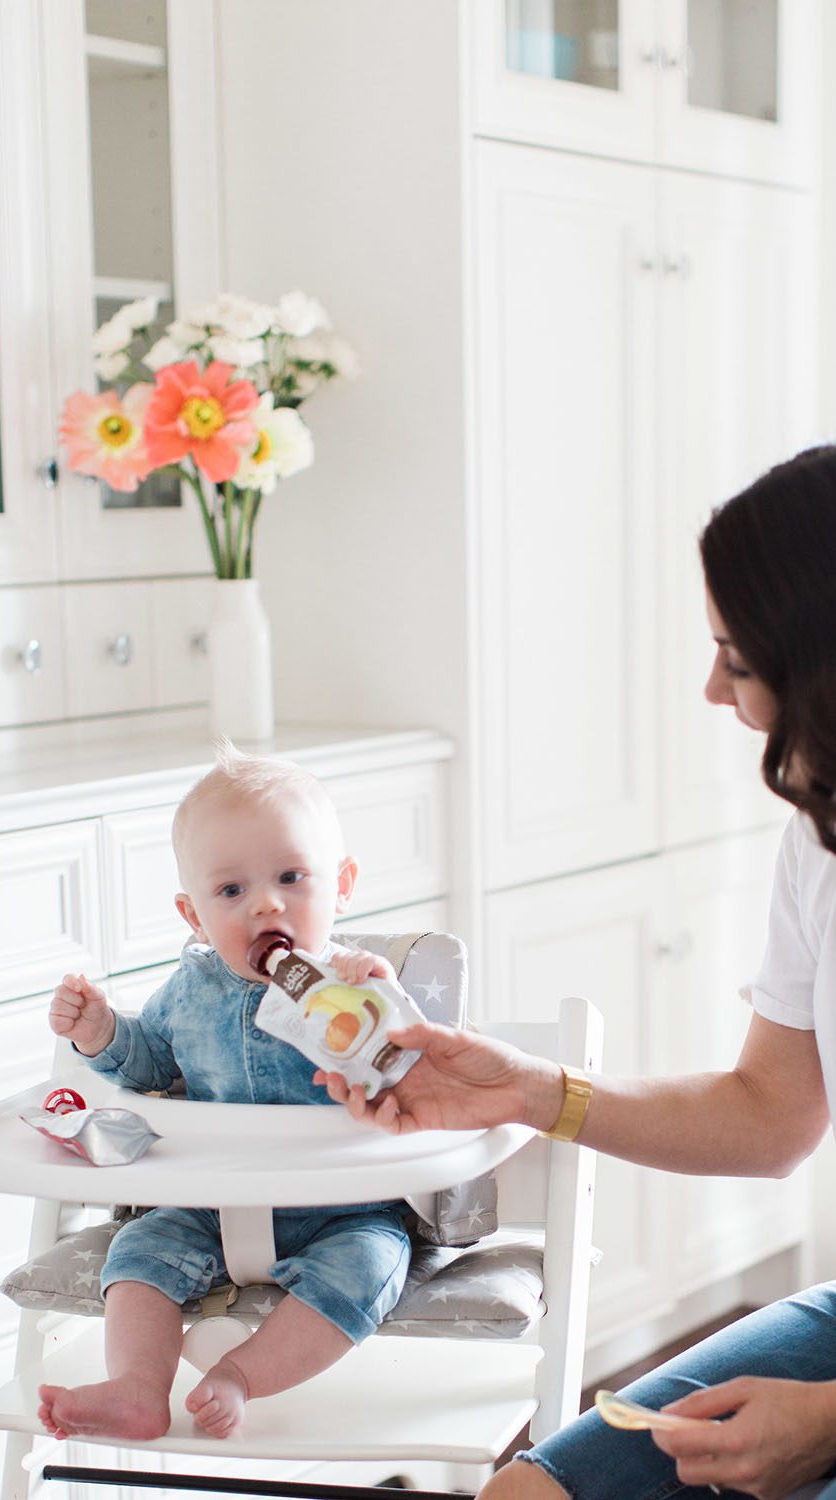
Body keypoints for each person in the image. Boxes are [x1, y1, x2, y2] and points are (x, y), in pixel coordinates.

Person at [319, 445, 836, 1500]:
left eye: (734, 661)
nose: (709, 689)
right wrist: (529, 1090)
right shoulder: (817, 838)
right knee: (528, 1494)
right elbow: (771, 1113)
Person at [37, 744, 410, 1442]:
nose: (266, 902)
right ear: (193, 915)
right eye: (231, 891)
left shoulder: (350, 983)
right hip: (210, 1203)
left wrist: (381, 994)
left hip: (343, 1208)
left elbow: (403, 1059)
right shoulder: (191, 988)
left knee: (371, 1266)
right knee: (139, 1251)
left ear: (343, 883)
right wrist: (100, 1031)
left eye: (292, 877)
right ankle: (138, 1389)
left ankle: (241, 1374)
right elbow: (148, 1064)